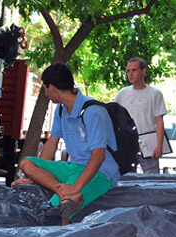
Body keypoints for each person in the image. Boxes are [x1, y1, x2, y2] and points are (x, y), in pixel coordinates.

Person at [15, 62, 120, 225]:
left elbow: (98, 156)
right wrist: (36, 179)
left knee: (57, 210)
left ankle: (67, 204)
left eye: (45, 88)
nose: (45, 93)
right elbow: (52, 143)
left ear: (52, 88)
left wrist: (76, 186)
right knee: (27, 163)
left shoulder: (93, 112)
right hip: (73, 167)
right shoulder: (62, 109)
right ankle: (62, 190)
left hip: (101, 172)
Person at [114, 57, 168, 174]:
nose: (130, 74)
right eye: (128, 71)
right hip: (127, 144)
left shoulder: (155, 94)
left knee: (151, 179)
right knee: (127, 178)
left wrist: (159, 146)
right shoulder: (122, 94)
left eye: (134, 70)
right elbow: (113, 118)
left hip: (149, 145)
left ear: (143, 71)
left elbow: (159, 121)